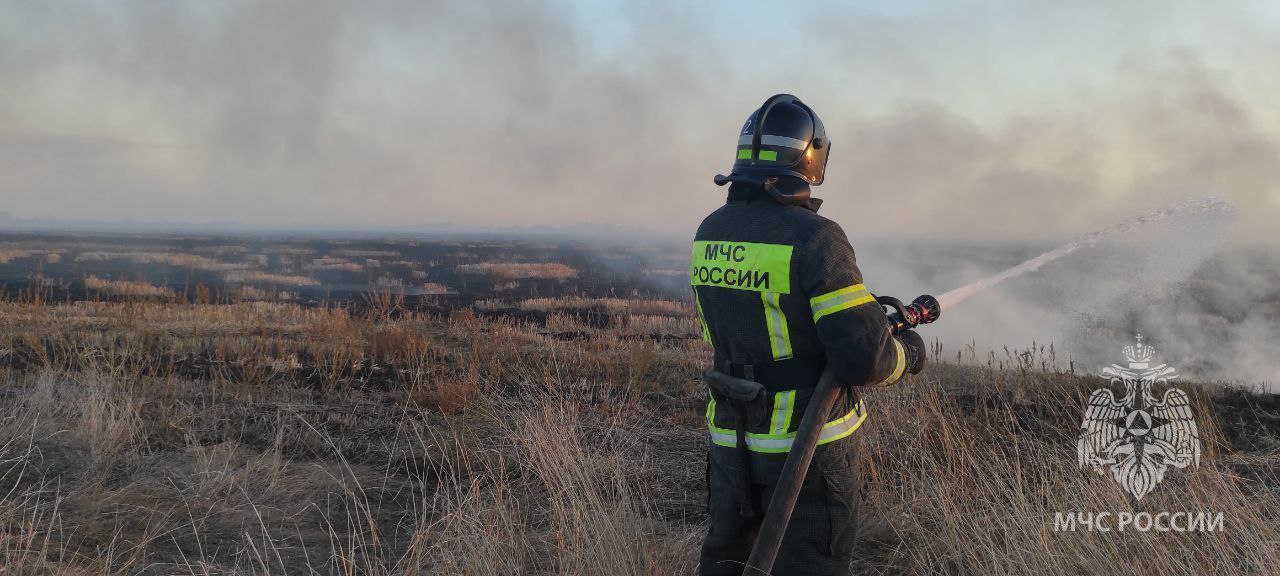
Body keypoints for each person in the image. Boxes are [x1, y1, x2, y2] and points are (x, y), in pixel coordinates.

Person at [691, 94, 927, 575]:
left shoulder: (710, 231)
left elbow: (717, 327)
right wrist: (909, 353)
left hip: (731, 440)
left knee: (728, 561)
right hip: (806, 448)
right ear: (811, 157)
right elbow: (864, 359)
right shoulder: (816, 237)